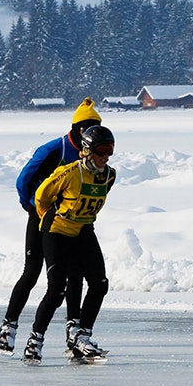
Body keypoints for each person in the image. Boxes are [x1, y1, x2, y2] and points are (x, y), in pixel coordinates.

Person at [0, 99, 101, 353]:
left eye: (94, 128)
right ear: (76, 128)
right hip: (42, 216)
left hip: (73, 222)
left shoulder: (92, 154)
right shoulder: (54, 150)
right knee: (32, 272)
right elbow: (24, 180)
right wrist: (32, 207)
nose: (89, 133)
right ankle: (8, 327)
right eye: (86, 127)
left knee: (74, 274)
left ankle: (74, 333)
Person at [24, 123, 118, 363]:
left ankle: (81, 336)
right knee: (57, 290)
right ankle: (35, 341)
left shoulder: (109, 175)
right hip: (56, 230)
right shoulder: (68, 172)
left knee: (99, 283)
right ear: (86, 150)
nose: (105, 157)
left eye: (110, 151)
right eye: (101, 151)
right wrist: (50, 217)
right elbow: (41, 196)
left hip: (83, 230)